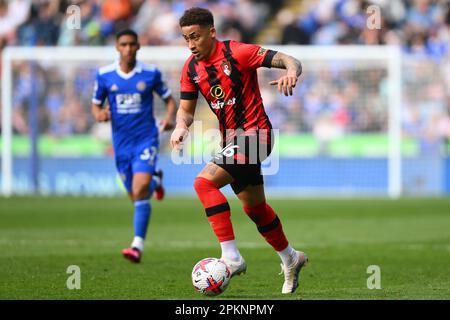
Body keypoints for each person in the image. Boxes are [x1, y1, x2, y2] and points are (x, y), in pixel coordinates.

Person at [170, 7, 307, 294]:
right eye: (186, 39)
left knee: (204, 183)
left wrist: (292, 72)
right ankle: (290, 257)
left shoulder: (237, 52)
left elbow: (287, 59)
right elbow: (185, 111)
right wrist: (181, 126)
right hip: (231, 141)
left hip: (257, 135)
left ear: (211, 32)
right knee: (256, 209)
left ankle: (231, 257)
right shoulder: (191, 69)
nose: (191, 44)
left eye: (195, 37)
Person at [92, 29, 176, 263]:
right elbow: (96, 105)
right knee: (136, 195)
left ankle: (136, 246)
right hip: (121, 144)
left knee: (140, 191)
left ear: (138, 47)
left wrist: (170, 118)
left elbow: (170, 100)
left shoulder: (150, 74)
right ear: (117, 48)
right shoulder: (104, 75)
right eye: (124, 44)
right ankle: (156, 180)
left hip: (145, 139)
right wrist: (100, 115)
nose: (128, 48)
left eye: (132, 44)